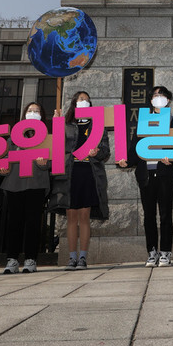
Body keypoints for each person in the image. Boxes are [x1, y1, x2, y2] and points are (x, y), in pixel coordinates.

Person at [118, 86, 173, 267]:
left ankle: (166, 253)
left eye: (162, 95)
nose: (158, 98)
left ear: (168, 100)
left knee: (166, 215)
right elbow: (135, 148)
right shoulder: (144, 121)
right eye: (155, 95)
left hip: (165, 173)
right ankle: (152, 252)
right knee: (149, 216)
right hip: (146, 175)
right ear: (150, 100)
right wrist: (127, 162)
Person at [49, 91, 110, 270]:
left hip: (89, 173)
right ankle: (71, 257)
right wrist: (57, 123)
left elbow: (106, 150)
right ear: (74, 103)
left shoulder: (97, 125)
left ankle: (83, 257)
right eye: (81, 99)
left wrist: (97, 151)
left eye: (87, 100)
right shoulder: (67, 124)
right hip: (70, 173)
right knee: (71, 216)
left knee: (84, 215)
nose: (85, 102)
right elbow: (57, 147)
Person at [0, 102, 50, 274]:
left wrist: (44, 163)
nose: (33, 113)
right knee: (14, 223)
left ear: (42, 115)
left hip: (36, 184)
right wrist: (3, 169)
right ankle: (12, 259)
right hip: (14, 185)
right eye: (30, 110)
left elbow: (52, 161)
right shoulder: (13, 137)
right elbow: (4, 159)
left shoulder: (46, 137)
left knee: (33, 223)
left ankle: (30, 259)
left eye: (37, 111)